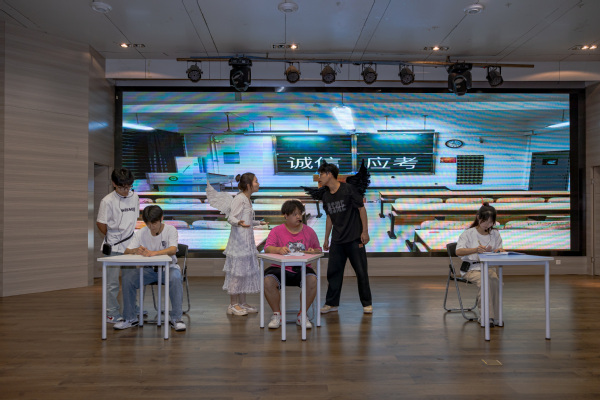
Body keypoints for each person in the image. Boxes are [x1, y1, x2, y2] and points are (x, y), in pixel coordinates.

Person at [114, 205, 186, 331]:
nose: (151, 226)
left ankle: (176, 319)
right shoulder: (142, 232)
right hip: (148, 270)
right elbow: (127, 251)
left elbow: (173, 249)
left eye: (154, 223)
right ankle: (130, 318)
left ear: (161, 218)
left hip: (168, 268)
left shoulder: (171, 230)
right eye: (148, 223)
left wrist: (154, 253)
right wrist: (136, 250)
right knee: (128, 279)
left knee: (175, 277)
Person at [318, 162, 373, 314]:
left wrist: (365, 231)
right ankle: (331, 303)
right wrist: (326, 238)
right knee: (333, 273)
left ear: (329, 174)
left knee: (361, 272)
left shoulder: (348, 189)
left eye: (321, 174)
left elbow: (361, 209)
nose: (320, 177)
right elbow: (330, 217)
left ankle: (367, 303)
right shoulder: (326, 196)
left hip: (355, 238)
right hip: (337, 240)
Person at [263, 200, 322, 329]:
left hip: (303, 268)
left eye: (300, 214)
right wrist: (278, 249)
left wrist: (313, 251)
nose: (298, 217)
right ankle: (277, 315)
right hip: (279, 268)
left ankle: (302, 315)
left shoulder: (309, 231)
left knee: (312, 280)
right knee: (267, 281)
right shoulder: (276, 231)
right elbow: (267, 248)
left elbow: (318, 249)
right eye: (295, 214)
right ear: (286, 215)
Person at [96, 168, 139, 324]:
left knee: (130, 281)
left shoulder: (135, 197)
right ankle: (111, 313)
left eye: (128, 187)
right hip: (113, 247)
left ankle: (132, 309)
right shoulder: (107, 201)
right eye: (122, 187)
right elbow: (101, 223)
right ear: (114, 183)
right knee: (112, 283)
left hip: (130, 247)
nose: (126, 191)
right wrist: (113, 236)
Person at [223, 172, 266, 316]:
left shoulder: (247, 199)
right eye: (256, 181)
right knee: (237, 274)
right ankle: (233, 304)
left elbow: (246, 219)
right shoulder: (239, 199)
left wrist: (258, 223)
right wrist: (238, 222)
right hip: (239, 243)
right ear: (248, 185)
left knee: (244, 273)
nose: (258, 184)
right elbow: (231, 218)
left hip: (247, 242)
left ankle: (242, 303)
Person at [455, 202, 504, 326]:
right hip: (471, 269)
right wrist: (475, 249)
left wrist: (499, 251)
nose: (488, 225)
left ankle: (496, 316)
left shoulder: (495, 234)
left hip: (488, 267)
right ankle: (486, 317)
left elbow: (499, 249)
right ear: (478, 218)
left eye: (491, 222)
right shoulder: (468, 233)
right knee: (485, 281)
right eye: (485, 221)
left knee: (495, 281)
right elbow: (458, 251)